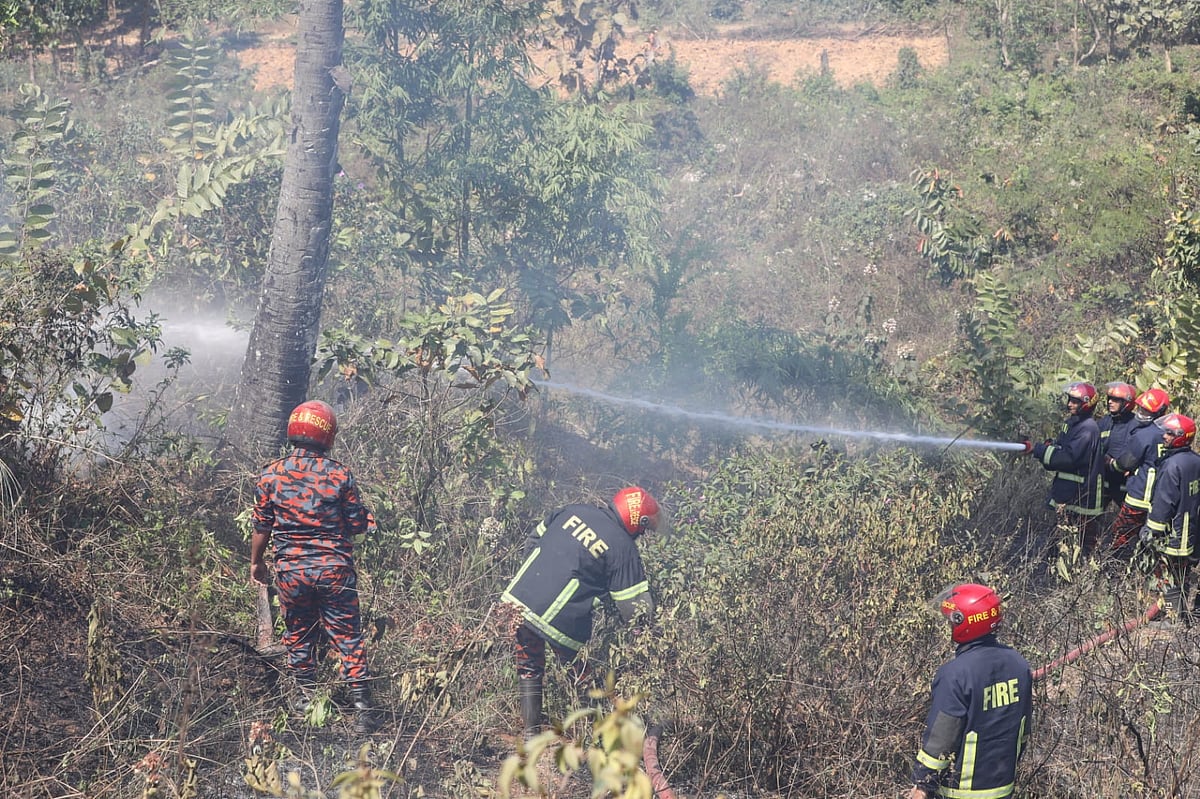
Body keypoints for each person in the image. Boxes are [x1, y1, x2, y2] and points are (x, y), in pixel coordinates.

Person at [249, 399, 379, 733]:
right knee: (348, 636)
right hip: (334, 570)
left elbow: (262, 527)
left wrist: (256, 563)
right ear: (327, 434)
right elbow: (356, 525)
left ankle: (305, 700)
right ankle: (363, 710)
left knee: (300, 632)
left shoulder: (270, 475)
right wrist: (368, 520)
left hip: (291, 572)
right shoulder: (339, 474)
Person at [500, 486, 667, 735]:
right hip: (562, 619)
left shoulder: (573, 510)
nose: (642, 534)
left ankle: (530, 734)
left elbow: (533, 540)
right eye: (643, 528)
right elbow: (635, 608)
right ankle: (603, 735)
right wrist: (651, 640)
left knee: (529, 666)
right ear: (636, 521)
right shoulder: (623, 548)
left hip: (520, 601)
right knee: (582, 675)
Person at [910, 583, 1033, 799]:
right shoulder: (1019, 665)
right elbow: (1022, 732)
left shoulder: (956, 674)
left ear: (962, 623)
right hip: (1003, 789)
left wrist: (923, 784)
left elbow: (941, 740)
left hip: (960, 792)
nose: (947, 626)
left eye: (950, 620)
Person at [1139, 413, 1200, 625]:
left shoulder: (1172, 465)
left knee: (1168, 575)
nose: (1164, 436)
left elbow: (1164, 502)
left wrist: (1151, 529)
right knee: (1181, 573)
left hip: (1173, 533)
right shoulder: (1195, 460)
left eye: (1169, 433)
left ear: (1181, 437)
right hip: (1190, 530)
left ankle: (1172, 618)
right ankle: (1180, 614)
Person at [1029, 382, 1104, 553]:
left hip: (1082, 495)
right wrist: (1051, 446)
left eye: (1075, 401)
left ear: (1087, 403)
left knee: (1082, 544)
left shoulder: (1088, 429)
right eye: (1069, 399)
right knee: (1059, 539)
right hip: (1069, 492)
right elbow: (1063, 448)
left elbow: (1068, 458)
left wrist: (1039, 450)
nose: (1070, 404)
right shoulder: (1074, 423)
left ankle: (1082, 575)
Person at [1109, 387, 1171, 556]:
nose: (1141, 413)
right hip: (1161, 500)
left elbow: (1125, 463)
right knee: (1152, 540)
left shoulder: (1144, 435)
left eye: (1146, 410)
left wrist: (1111, 464)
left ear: (1159, 412)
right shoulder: (1168, 435)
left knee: (1120, 534)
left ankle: (1116, 569)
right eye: (1141, 408)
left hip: (1139, 497)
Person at [1098, 381, 1138, 508]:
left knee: (1127, 524)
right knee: (1091, 520)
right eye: (1110, 398)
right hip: (1103, 480)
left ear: (1126, 403)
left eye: (1115, 400)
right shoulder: (1105, 422)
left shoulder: (1136, 425)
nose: (1110, 402)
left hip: (1125, 484)